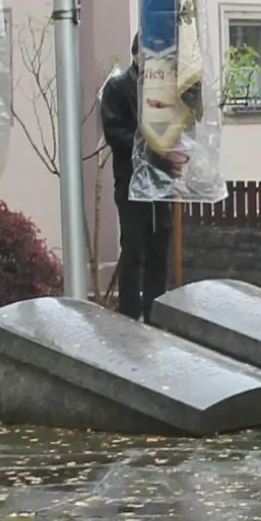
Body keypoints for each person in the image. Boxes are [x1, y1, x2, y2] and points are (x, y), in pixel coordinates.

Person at [99, 33, 189, 322]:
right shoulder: (118, 87)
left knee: (158, 247)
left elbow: (177, 128)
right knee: (134, 246)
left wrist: (176, 150)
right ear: (136, 54)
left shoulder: (164, 92)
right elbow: (116, 135)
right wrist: (150, 147)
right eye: (148, 56)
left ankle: (156, 311)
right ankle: (129, 311)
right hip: (131, 182)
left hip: (161, 180)